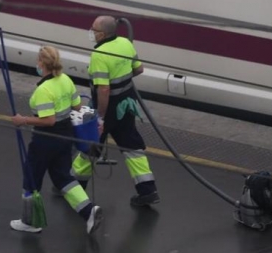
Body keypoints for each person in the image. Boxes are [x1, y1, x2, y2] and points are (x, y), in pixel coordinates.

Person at [10, 46, 102, 234]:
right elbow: (77, 107)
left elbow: (48, 120)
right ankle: (89, 211)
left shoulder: (43, 90)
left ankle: (30, 222)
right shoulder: (66, 80)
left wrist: (23, 120)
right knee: (63, 178)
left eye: (38, 60)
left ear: (42, 63)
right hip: (65, 137)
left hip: (45, 140)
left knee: (31, 179)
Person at [71, 16, 160, 206]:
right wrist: (123, 80)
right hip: (127, 103)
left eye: (93, 29)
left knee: (91, 146)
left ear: (102, 34)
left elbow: (104, 90)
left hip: (108, 107)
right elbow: (139, 69)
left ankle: (73, 187)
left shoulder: (99, 54)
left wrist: (101, 118)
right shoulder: (125, 43)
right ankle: (148, 190)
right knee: (132, 146)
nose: (91, 32)